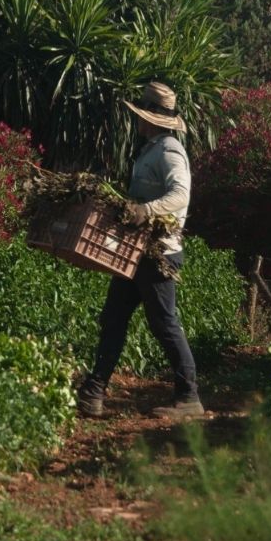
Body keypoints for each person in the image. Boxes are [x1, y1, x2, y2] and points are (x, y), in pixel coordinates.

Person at [76, 81, 203, 420]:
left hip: (159, 252)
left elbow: (181, 195)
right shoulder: (150, 149)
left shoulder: (169, 151)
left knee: (164, 323)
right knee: (114, 316)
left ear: (151, 118)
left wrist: (145, 210)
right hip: (137, 251)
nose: (137, 120)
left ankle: (189, 396)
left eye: (141, 114)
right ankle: (94, 391)